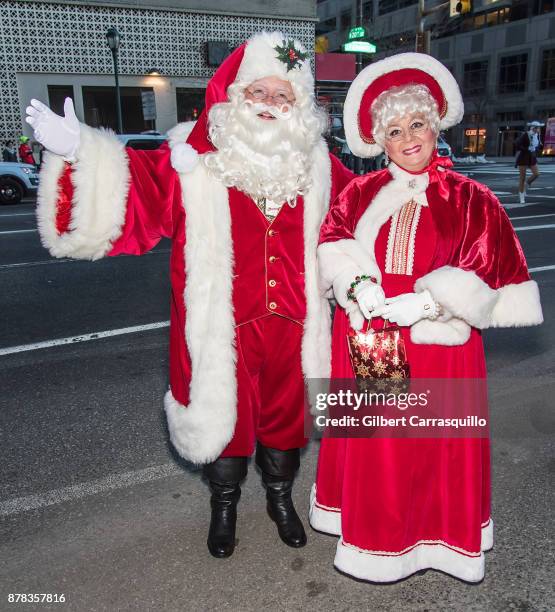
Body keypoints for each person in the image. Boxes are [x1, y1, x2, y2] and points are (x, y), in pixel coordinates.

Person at [27, 31, 353, 559]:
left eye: (283, 96)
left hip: (296, 328)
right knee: (221, 425)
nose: (270, 105)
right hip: (218, 330)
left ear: (299, 108)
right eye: (259, 93)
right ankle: (223, 505)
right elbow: (137, 195)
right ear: (236, 97)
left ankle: (280, 499)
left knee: (286, 425)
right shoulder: (194, 159)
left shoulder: (319, 167)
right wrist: (80, 151)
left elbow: (362, 222)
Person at [309, 53, 543, 583]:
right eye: (394, 130)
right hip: (371, 336)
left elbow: (493, 273)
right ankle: (377, 542)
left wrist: (434, 302)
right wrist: (358, 285)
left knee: (436, 450)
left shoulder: (473, 199)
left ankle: (437, 544)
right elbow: (334, 243)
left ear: (435, 126)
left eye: (416, 124)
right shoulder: (359, 192)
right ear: (379, 140)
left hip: (441, 345)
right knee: (379, 450)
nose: (408, 138)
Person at [515, 121, 542, 204]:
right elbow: (517, 144)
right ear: (533, 128)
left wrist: (537, 148)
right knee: (522, 178)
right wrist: (525, 149)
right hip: (523, 157)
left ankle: (528, 183)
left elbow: (536, 146)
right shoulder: (525, 134)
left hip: (532, 156)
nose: (539, 129)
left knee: (537, 174)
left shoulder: (537, 135)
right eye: (538, 128)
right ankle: (521, 197)